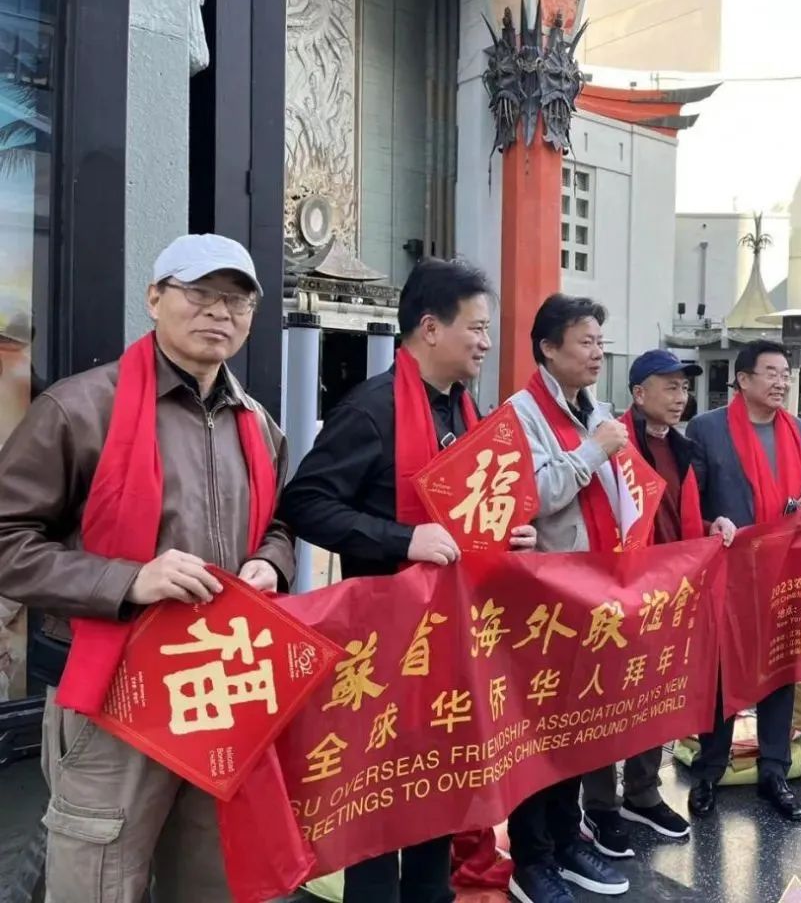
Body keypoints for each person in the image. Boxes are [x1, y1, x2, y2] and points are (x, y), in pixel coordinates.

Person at [0, 234, 296, 903]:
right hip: (115, 692)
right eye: (201, 293)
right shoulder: (80, 408)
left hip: (220, 689)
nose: (219, 312)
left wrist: (269, 562)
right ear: (154, 297)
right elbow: (7, 539)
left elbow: (280, 521)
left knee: (213, 875)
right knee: (99, 879)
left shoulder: (257, 423)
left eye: (237, 301)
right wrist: (128, 580)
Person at [279, 258, 536, 903]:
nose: (486, 341)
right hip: (385, 649)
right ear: (430, 328)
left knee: (436, 792)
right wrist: (403, 539)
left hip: (449, 646)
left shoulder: (466, 411)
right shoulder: (371, 410)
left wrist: (508, 534)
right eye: (477, 327)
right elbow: (305, 503)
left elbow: (470, 515)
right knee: (378, 809)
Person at [505, 294, 631, 903]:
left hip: (594, 594)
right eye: (585, 342)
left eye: (601, 342)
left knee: (575, 726)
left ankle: (566, 836)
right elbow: (529, 496)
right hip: (543, 603)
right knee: (535, 733)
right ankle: (531, 860)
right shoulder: (521, 413)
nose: (597, 353)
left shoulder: (594, 410)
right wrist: (592, 451)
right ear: (548, 348)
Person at [685, 340, 801, 822]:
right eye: (771, 373)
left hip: (785, 568)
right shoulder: (707, 428)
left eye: (786, 374)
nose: (782, 382)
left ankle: (774, 770)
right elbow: (690, 500)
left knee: (780, 668)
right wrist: (711, 524)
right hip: (730, 570)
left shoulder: (799, 429)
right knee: (724, 671)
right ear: (743, 379)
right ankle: (709, 769)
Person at [577, 351, 706, 852]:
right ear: (638, 393)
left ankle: (643, 791)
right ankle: (599, 804)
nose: (680, 397)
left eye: (684, 388)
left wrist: (713, 524)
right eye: (669, 387)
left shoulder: (684, 448)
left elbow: (681, 513)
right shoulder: (613, 443)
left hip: (671, 590)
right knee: (606, 697)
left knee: (656, 692)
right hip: (618, 591)